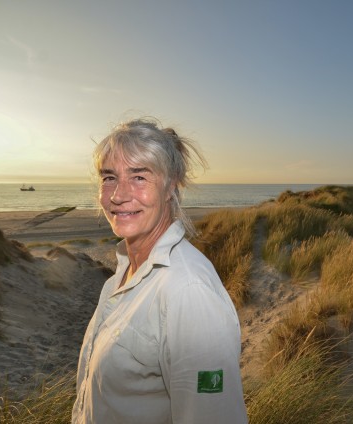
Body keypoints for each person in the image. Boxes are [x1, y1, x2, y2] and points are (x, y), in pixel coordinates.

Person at [72, 118, 248, 423]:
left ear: (171, 185)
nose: (117, 195)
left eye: (139, 177)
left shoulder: (188, 292)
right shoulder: (120, 277)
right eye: (109, 177)